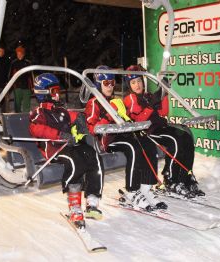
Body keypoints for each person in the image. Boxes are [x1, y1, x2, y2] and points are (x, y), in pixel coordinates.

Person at [84, 65, 167, 210]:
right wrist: (109, 115)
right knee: (133, 148)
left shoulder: (116, 100)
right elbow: (93, 128)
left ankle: (146, 187)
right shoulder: (94, 103)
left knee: (147, 143)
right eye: (106, 83)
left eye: (112, 83)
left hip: (122, 134)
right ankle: (132, 190)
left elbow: (125, 117)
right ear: (98, 84)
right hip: (108, 140)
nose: (110, 86)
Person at [29, 73, 104, 226]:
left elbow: (74, 115)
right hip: (55, 150)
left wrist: (80, 120)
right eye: (54, 91)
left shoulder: (61, 110)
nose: (57, 95)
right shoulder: (39, 113)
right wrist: (59, 134)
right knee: (75, 162)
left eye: (58, 91)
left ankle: (92, 200)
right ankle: (75, 206)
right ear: (44, 94)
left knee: (92, 155)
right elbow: (36, 129)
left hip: (70, 145)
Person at [123, 65, 205, 198]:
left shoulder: (147, 95)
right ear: (129, 85)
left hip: (160, 126)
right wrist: (151, 105)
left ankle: (185, 176)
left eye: (139, 81)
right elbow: (138, 118)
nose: (137, 85)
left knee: (186, 137)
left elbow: (163, 112)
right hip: (147, 130)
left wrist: (163, 93)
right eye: (133, 82)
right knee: (175, 141)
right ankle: (170, 179)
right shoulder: (131, 98)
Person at [9, 46, 33, 113]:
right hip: (17, 87)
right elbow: (10, 76)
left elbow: (31, 76)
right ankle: (17, 118)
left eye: (21, 53)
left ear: (23, 54)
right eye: (18, 54)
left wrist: (32, 86)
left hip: (26, 87)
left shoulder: (28, 63)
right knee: (17, 104)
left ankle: (26, 117)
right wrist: (11, 86)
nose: (19, 55)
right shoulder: (14, 63)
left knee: (26, 104)